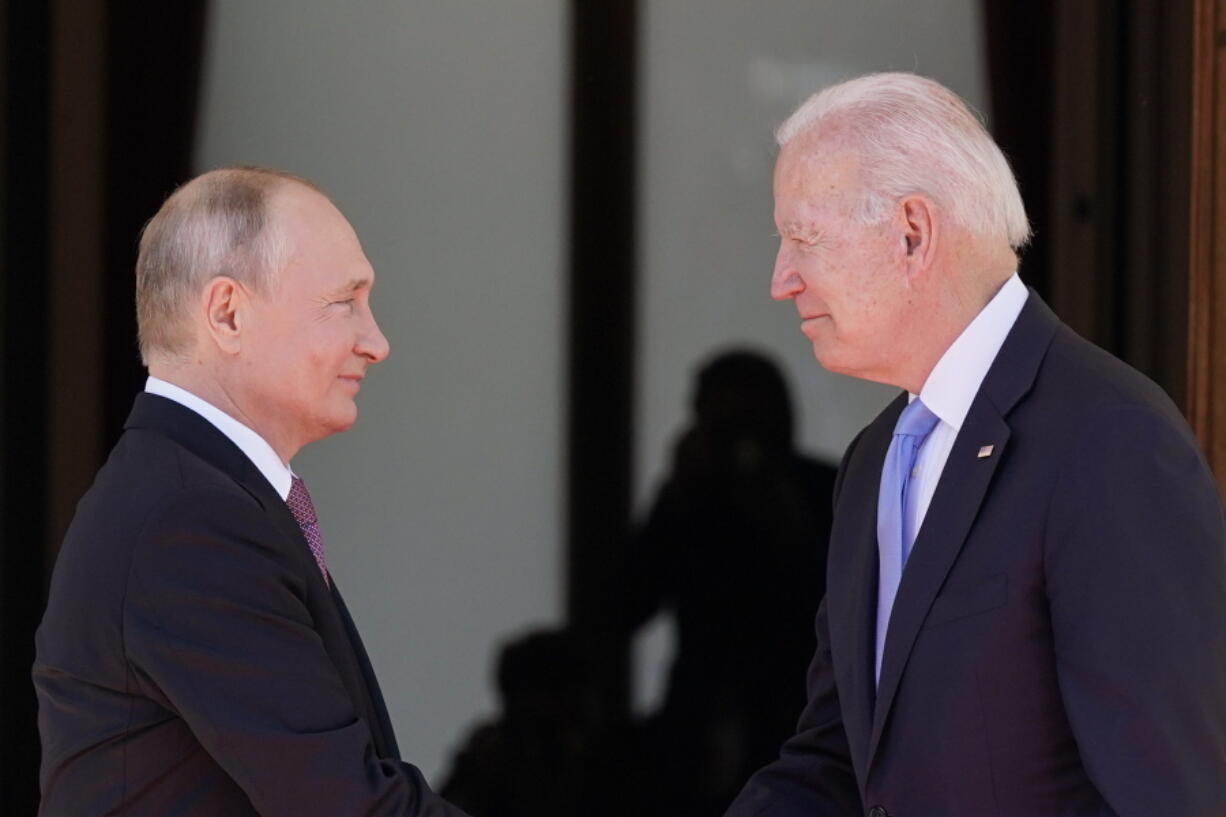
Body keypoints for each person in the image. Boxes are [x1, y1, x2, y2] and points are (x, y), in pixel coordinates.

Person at [723, 73, 1226, 817]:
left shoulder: (1108, 441)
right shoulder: (874, 461)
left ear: (913, 234)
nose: (781, 279)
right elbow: (835, 764)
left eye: (804, 237)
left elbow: (1173, 792)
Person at [33, 167, 470, 816]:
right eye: (344, 301)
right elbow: (345, 805)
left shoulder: (191, 493)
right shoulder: (189, 517)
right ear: (228, 314)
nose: (376, 341)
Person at [623, 349, 837, 816]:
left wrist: (786, 520)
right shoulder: (689, 499)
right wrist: (677, 495)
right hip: (696, 721)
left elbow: (843, 606)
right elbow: (623, 606)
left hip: (799, 713)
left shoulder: (823, 491)